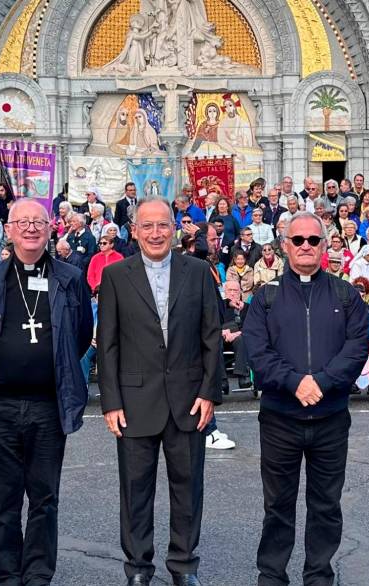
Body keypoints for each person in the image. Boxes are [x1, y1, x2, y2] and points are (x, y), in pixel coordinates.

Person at [0, 199, 94, 586]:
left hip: (47, 407)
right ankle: (9, 576)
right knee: (3, 503)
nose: (31, 228)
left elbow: (81, 334)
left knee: (44, 500)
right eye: (23, 222)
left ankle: (36, 576)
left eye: (39, 221)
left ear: (51, 229)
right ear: (10, 229)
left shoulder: (69, 277)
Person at [97, 197, 224, 586]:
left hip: (189, 400)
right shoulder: (117, 276)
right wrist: (111, 401)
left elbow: (211, 336)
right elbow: (108, 344)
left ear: (176, 229)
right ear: (133, 231)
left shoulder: (199, 271)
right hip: (134, 402)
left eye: (163, 225)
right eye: (147, 226)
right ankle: (138, 567)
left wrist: (209, 393)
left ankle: (184, 566)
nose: (156, 233)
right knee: (136, 493)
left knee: (188, 491)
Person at [243, 211, 368, 586]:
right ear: (285, 247)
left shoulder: (346, 295)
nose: (306, 247)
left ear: (325, 246)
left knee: (326, 506)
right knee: (277, 506)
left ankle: (318, 576)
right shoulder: (266, 297)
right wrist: (296, 382)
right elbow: (257, 352)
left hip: (330, 419)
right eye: (298, 240)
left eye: (314, 240)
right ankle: (272, 575)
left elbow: (357, 347)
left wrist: (324, 382)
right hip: (280, 418)